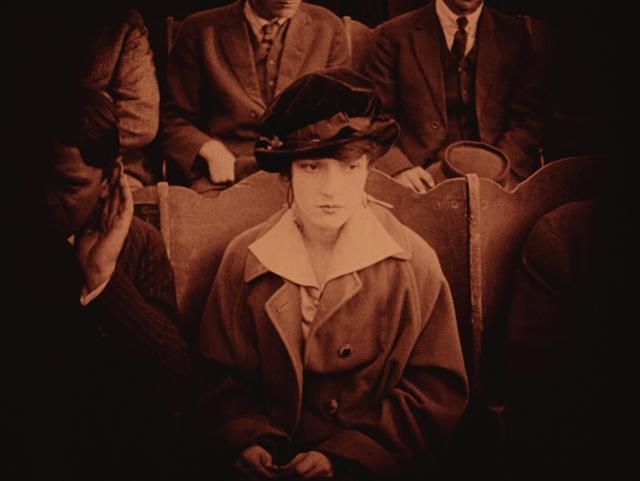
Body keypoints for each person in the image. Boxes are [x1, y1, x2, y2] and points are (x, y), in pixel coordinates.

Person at [198, 68, 468, 480]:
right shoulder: (246, 258)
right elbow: (219, 377)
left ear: (368, 170)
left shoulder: (413, 263)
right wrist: (247, 438)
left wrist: (345, 457)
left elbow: (433, 391)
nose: (331, 188)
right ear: (287, 173)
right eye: (312, 167)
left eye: (349, 168)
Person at [10, 88, 191, 480]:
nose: (46, 200)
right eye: (36, 179)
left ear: (111, 179)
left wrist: (102, 276)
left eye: (70, 186)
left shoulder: (140, 244)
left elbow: (174, 377)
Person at [161, 0, 350, 196]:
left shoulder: (327, 27)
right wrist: (208, 149)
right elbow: (174, 118)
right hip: (226, 177)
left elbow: (341, 116)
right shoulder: (200, 30)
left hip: (306, 174)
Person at [363, 0, 543, 192]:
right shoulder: (393, 35)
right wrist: (399, 168)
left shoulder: (515, 35)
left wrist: (501, 169)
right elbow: (374, 119)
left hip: (498, 180)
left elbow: (528, 118)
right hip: (420, 181)